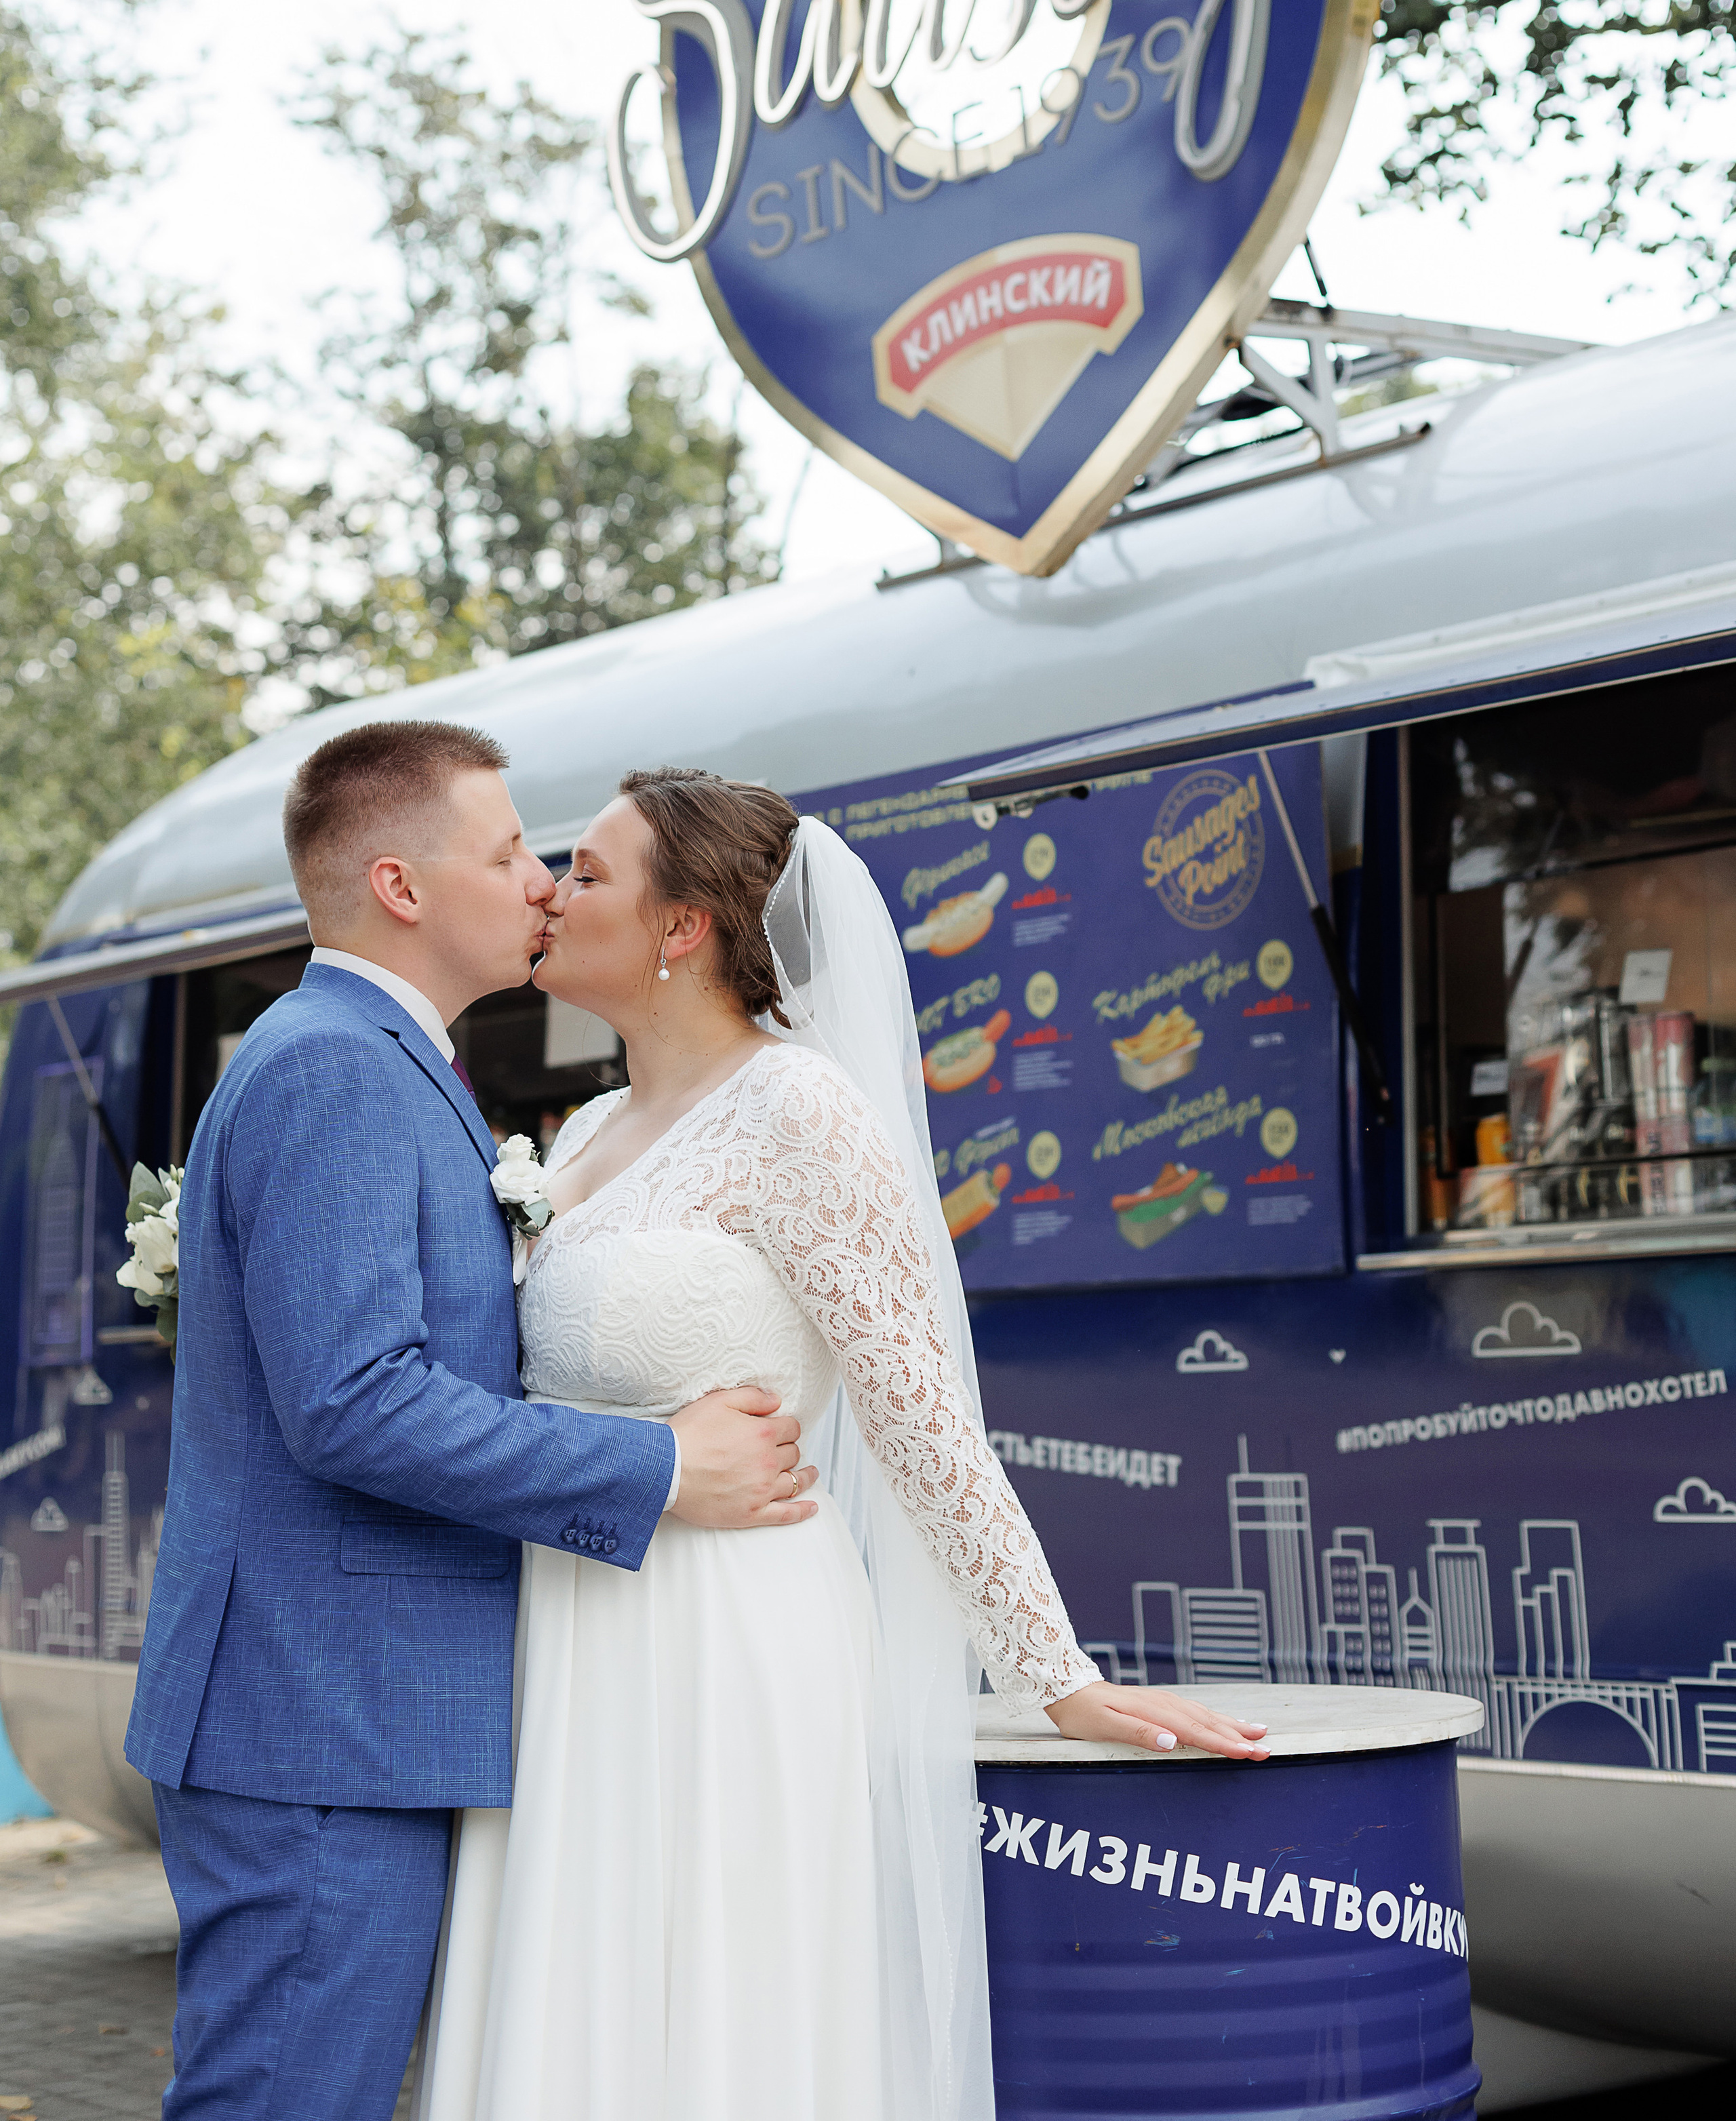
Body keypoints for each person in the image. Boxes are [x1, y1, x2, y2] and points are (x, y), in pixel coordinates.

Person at [415, 768, 1266, 2121]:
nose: (547, 890)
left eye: (586, 873)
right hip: (571, 1642)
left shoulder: (798, 1111)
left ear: (682, 926)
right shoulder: (579, 1133)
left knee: (719, 2025)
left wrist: (1057, 1675)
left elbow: (921, 1419)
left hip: (730, 1645)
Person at [126, 723, 819, 2121]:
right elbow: (354, 1404)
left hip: (341, 1715)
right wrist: (664, 1462)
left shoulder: (380, 1058)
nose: (541, 882)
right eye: (507, 851)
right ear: (401, 885)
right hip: (321, 1725)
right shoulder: (339, 1068)